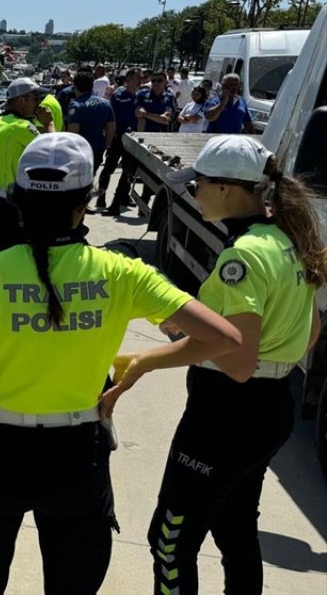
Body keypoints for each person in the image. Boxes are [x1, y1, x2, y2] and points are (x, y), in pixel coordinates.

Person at [0, 132, 240, 595]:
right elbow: (224, 338)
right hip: (77, 453)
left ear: (18, 201)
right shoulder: (122, 272)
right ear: (84, 204)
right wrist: (142, 362)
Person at [101, 136, 325, 595]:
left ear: (226, 188)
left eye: (198, 182)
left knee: (169, 540)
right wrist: (198, 339)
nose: (193, 191)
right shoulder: (286, 239)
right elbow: (311, 331)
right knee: (235, 529)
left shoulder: (240, 257)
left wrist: (142, 362)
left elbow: (238, 359)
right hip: (269, 410)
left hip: (225, 417)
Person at [0, 77, 55, 251]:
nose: (39, 103)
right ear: (21, 100)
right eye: (35, 98)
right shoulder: (22, 127)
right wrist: (49, 124)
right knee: (21, 257)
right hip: (16, 205)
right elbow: (55, 154)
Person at [65, 68, 115, 212]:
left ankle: (76, 209)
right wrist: (107, 144)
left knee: (75, 181)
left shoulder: (76, 105)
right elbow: (111, 127)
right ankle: (84, 205)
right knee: (90, 177)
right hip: (98, 148)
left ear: (76, 86)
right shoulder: (105, 103)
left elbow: (73, 131)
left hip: (79, 151)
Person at [96, 67, 142, 214]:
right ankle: (101, 196)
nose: (140, 80)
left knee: (127, 171)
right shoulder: (118, 95)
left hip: (133, 138)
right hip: (117, 136)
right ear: (129, 80)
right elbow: (109, 117)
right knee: (109, 167)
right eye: (137, 78)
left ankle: (120, 198)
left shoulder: (141, 96)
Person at [135, 69, 175, 134]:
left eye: (159, 80)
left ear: (165, 82)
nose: (156, 83)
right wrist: (157, 117)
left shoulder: (169, 97)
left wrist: (146, 114)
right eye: (153, 81)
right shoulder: (142, 94)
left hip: (161, 134)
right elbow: (138, 113)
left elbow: (165, 119)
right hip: (144, 134)